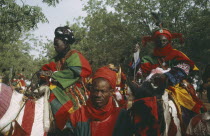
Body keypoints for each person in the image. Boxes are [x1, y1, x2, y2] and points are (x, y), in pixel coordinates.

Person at [131, 28, 206, 130]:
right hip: (152, 86)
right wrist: (136, 58)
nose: (161, 43)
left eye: (164, 40)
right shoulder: (148, 57)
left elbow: (185, 67)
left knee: (186, 106)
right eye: (159, 41)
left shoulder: (177, 54)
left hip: (175, 86)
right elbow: (140, 72)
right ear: (155, 42)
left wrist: (167, 76)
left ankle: (188, 128)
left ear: (169, 41)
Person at [40, 26, 92, 132]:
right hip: (55, 87)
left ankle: (69, 126)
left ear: (66, 43)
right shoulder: (54, 59)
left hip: (73, 88)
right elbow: (45, 70)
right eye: (54, 44)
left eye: (57, 44)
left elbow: (77, 71)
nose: (55, 47)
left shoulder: (74, 55)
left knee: (74, 109)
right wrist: (42, 74)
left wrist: (53, 75)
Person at [68, 66, 133, 136]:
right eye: (96, 90)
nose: (98, 95)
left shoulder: (122, 116)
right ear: (91, 89)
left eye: (103, 91)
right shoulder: (77, 116)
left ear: (111, 92)